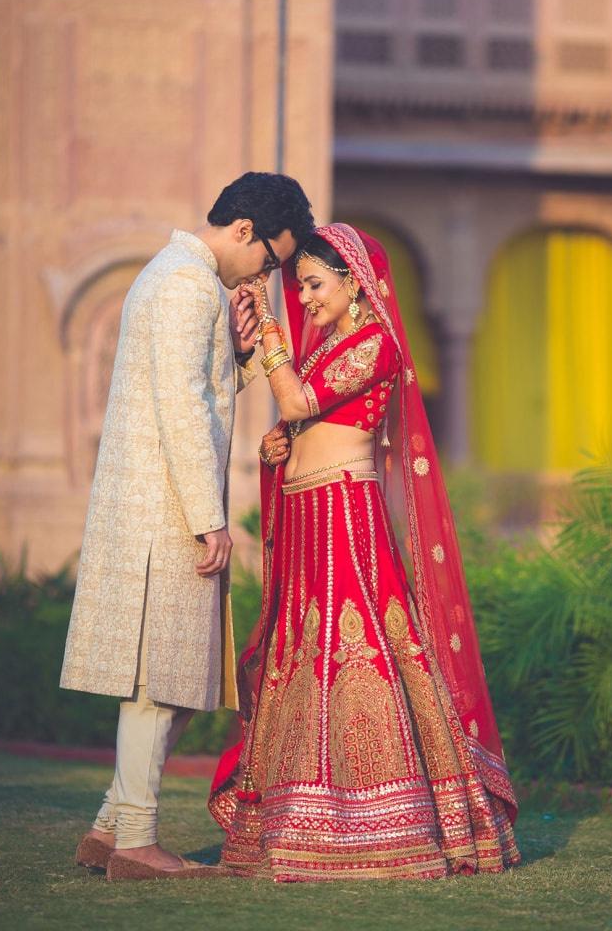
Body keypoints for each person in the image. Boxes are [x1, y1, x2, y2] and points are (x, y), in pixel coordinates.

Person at [209, 223, 521, 881]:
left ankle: (382, 822)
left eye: (315, 284)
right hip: (309, 517)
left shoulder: (375, 343)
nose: (307, 298)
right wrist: (277, 449)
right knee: (300, 660)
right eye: (298, 288)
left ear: (355, 284)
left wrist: (267, 325)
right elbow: (299, 418)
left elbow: (296, 399)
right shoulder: (323, 349)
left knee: (361, 655)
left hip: (346, 520)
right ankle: (296, 817)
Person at [60, 172, 315, 881]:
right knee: (158, 684)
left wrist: (233, 356)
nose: (264, 276)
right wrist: (210, 520)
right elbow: (180, 412)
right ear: (243, 230)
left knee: (175, 679)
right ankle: (136, 841)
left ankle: (113, 827)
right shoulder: (183, 285)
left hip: (161, 503)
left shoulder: (184, 280)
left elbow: (193, 391)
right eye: (267, 260)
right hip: (164, 510)